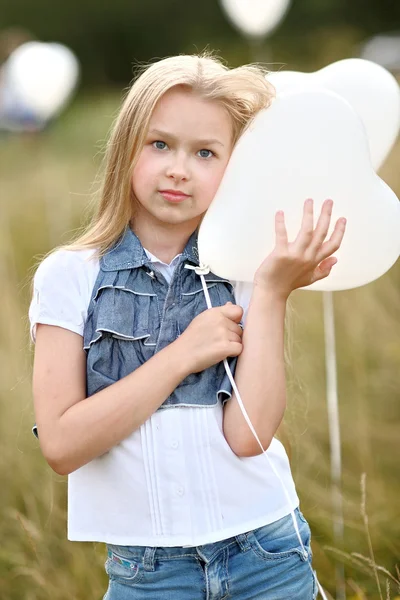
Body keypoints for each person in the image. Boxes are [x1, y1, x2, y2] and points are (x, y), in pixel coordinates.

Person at [29, 53, 346, 600]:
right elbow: (61, 445)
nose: (179, 168)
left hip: (266, 553)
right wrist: (182, 354)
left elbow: (249, 437)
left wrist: (272, 292)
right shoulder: (70, 277)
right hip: (148, 575)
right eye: (160, 144)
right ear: (127, 149)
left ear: (232, 167)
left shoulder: (247, 271)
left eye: (205, 153)